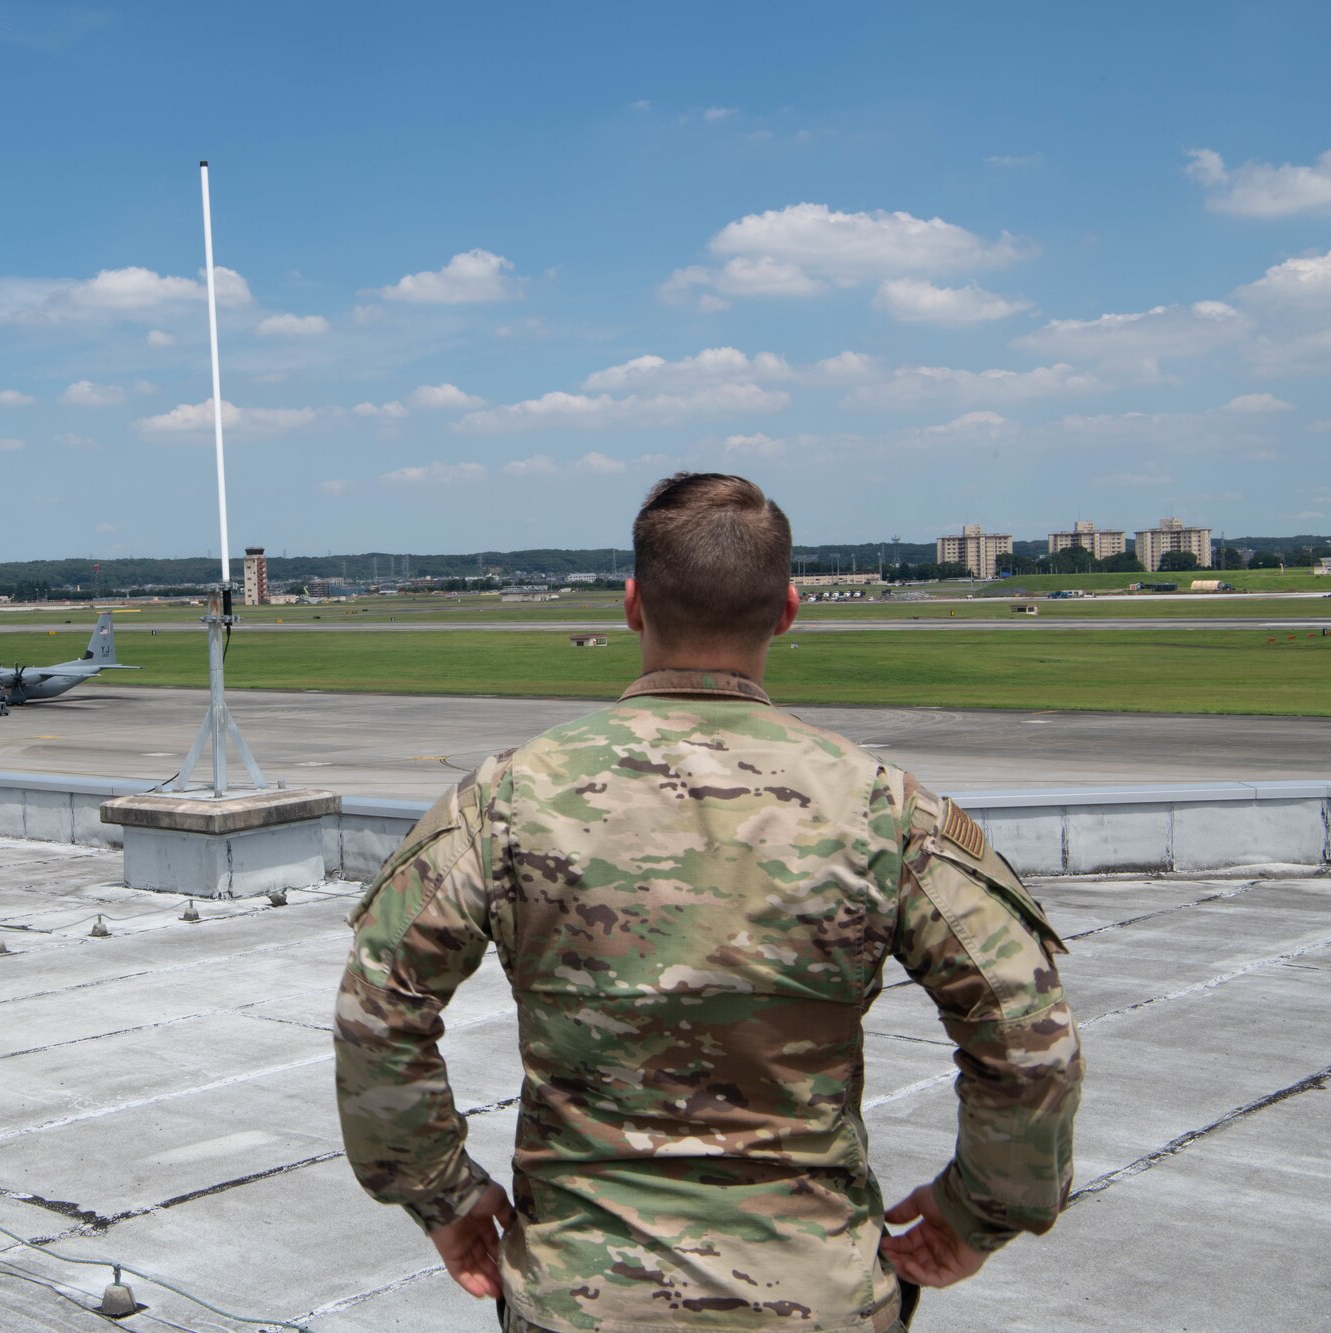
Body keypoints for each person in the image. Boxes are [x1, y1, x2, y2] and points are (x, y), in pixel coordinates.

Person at [333, 473, 1083, 1332]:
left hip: (584, 1294)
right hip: (817, 1293)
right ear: (789, 610)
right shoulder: (879, 806)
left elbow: (378, 1012)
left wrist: (444, 1195)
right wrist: (977, 1211)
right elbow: (1028, 1041)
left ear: (630, 606)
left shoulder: (510, 798)